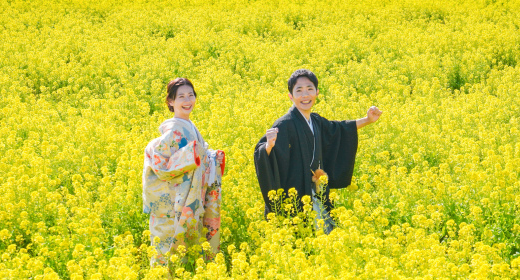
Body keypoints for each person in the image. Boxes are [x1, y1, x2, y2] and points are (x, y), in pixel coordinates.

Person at [254, 69, 382, 233]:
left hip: (317, 188)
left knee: (324, 232)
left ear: (317, 93)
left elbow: (339, 130)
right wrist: (269, 146)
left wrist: (368, 120)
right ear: (291, 96)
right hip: (296, 193)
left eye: (309, 89)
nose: (305, 95)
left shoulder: (315, 120)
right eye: (299, 91)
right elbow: (261, 154)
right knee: (303, 235)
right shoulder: (284, 124)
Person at [143, 78, 225, 266]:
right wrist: (193, 156)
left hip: (187, 201)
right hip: (173, 204)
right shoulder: (174, 130)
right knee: (168, 248)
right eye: (181, 96)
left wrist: (211, 158)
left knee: (183, 251)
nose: (187, 100)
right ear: (171, 102)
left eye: (191, 95)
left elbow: (195, 156)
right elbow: (160, 162)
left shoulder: (188, 126)